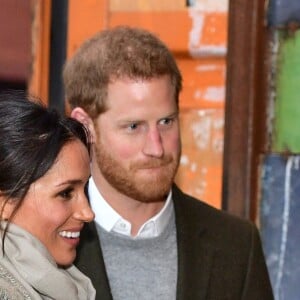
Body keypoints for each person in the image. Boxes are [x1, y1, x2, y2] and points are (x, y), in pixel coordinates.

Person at [63, 26, 274, 300]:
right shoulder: (43, 241)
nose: (156, 147)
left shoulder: (236, 246)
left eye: (166, 122)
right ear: (85, 127)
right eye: (134, 126)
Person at [0, 91, 96, 299]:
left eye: (85, 189)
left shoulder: (66, 283)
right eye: (65, 193)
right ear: (4, 202)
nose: (88, 213)